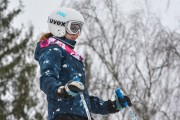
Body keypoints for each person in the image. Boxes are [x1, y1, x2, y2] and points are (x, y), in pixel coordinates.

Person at [34, 7, 132, 120]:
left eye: (79, 28)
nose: (78, 33)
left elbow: (82, 98)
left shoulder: (72, 57)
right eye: (74, 28)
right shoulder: (53, 50)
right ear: (59, 26)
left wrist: (111, 106)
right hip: (64, 116)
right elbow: (47, 78)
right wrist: (61, 91)